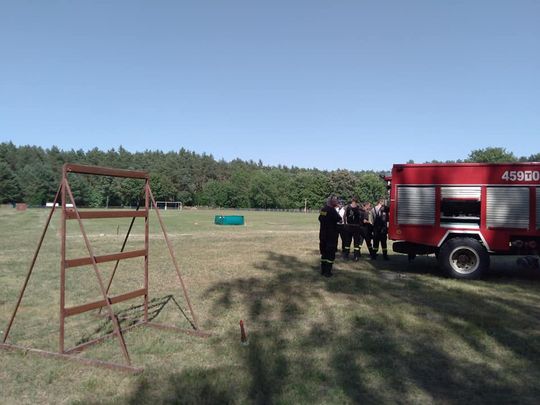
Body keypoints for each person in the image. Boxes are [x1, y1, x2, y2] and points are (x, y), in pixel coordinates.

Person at [318, 195, 342, 277]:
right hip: (331, 236)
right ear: (332, 202)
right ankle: (328, 272)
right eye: (335, 201)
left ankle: (323, 270)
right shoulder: (332, 210)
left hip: (323, 235)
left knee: (324, 253)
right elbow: (339, 219)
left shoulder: (323, 210)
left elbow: (320, 218)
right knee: (330, 254)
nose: (337, 202)